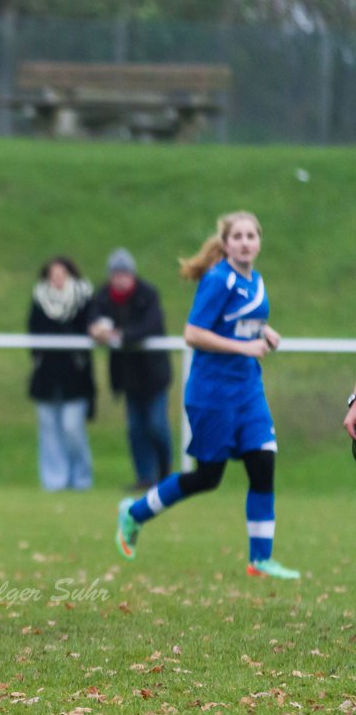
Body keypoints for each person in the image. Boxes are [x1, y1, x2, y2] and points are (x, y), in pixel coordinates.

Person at [115, 211, 299, 579]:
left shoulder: (255, 281)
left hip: (248, 390)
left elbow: (241, 318)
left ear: (259, 242)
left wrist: (265, 333)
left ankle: (260, 560)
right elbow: (194, 333)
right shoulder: (218, 279)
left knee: (263, 463)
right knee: (207, 478)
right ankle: (134, 514)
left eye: (252, 235)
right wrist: (244, 348)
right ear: (227, 244)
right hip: (213, 393)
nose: (246, 242)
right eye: (239, 236)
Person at [87, 248, 174, 491]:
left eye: (125, 274)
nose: (121, 279)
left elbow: (152, 325)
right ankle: (145, 478)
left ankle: (165, 474)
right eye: (116, 274)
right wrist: (95, 330)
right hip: (128, 377)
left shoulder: (148, 294)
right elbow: (92, 318)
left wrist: (120, 335)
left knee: (157, 425)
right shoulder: (103, 297)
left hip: (153, 375)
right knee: (136, 429)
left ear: (132, 275)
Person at [27, 256, 96, 491]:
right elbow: (33, 334)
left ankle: (81, 479)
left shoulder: (83, 297)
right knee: (48, 430)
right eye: (52, 274)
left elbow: (90, 328)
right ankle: (54, 481)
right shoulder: (39, 299)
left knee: (71, 427)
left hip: (75, 377)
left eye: (61, 273)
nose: (57, 278)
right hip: (46, 376)